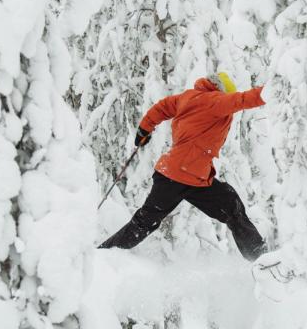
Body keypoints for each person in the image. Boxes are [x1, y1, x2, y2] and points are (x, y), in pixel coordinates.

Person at [99, 73, 268, 260]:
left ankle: (260, 259)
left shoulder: (188, 98)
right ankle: (103, 256)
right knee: (145, 221)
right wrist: (270, 91)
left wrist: (144, 129)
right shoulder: (215, 101)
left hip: (193, 178)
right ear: (222, 92)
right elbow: (244, 99)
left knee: (231, 206)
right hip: (176, 177)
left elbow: (162, 107)